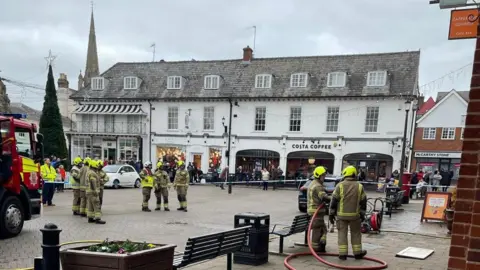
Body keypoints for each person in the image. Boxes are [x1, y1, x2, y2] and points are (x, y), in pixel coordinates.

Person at [329, 165, 367, 260]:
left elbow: (333, 201)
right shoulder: (359, 186)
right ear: (354, 174)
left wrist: (331, 214)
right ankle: (357, 253)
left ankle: (342, 254)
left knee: (342, 233)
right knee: (356, 233)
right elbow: (363, 201)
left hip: (341, 215)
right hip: (355, 215)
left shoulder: (340, 185)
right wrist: (362, 213)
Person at [307, 166, 331, 252]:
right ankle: (315, 248)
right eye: (323, 175)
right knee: (317, 229)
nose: (324, 177)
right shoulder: (318, 186)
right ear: (319, 175)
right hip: (316, 211)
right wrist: (334, 198)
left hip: (313, 210)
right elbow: (324, 197)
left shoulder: (313, 183)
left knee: (323, 228)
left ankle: (322, 242)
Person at [85, 160, 106, 224]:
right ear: (94, 167)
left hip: (88, 191)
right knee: (97, 204)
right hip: (93, 192)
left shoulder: (88, 172)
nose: (97, 169)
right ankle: (98, 219)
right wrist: (95, 190)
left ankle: (90, 218)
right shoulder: (93, 173)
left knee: (90, 205)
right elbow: (92, 181)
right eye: (96, 168)